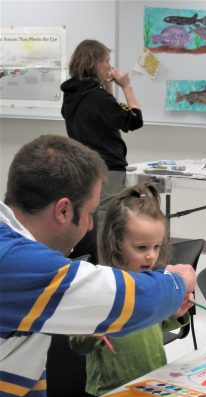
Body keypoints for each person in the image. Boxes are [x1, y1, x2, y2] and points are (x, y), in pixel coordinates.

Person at [0, 135, 196, 397]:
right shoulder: (16, 262)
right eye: (90, 213)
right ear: (63, 211)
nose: (91, 226)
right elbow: (125, 300)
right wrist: (178, 280)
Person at [69, 183, 190, 397]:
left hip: (152, 382)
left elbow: (157, 323)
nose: (151, 256)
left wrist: (176, 313)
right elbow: (77, 344)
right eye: (141, 248)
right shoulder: (102, 286)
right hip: (109, 393)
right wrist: (94, 333)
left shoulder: (153, 283)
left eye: (156, 246)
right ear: (116, 242)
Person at [61, 39, 143, 263]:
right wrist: (126, 86)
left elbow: (103, 118)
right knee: (107, 222)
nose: (109, 66)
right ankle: (105, 271)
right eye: (106, 61)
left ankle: (90, 265)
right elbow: (134, 120)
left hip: (84, 168)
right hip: (108, 168)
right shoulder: (97, 98)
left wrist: (107, 89)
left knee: (89, 220)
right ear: (94, 63)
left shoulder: (73, 93)